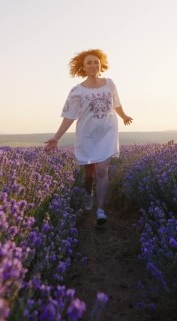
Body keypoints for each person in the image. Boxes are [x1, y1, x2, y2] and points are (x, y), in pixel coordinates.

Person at [45, 49, 133, 225]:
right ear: (83, 67)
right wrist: (57, 137)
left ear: (101, 65)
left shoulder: (110, 84)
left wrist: (123, 116)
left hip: (107, 132)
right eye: (89, 63)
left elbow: (117, 103)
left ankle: (100, 209)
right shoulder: (77, 90)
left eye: (96, 62)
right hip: (86, 134)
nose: (93, 65)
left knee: (102, 170)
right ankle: (88, 194)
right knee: (89, 175)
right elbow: (69, 116)